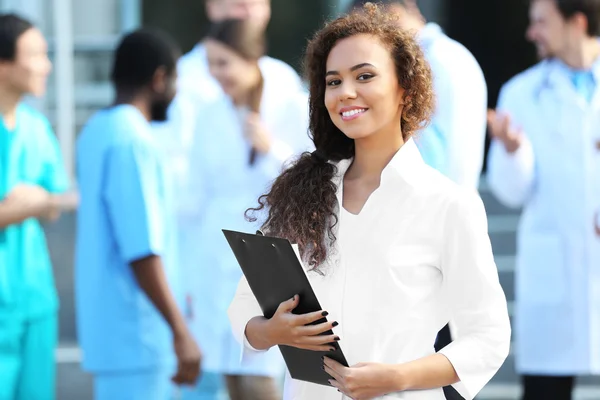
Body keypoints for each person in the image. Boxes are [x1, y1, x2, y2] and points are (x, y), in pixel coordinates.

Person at [228, 3, 511, 400]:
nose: (345, 92)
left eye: (364, 76)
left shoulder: (448, 204)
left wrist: (397, 378)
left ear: (404, 88)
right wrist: (272, 330)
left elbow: (488, 338)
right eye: (332, 81)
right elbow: (245, 308)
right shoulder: (305, 193)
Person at [179, 19, 313, 400]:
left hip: (267, 250)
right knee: (229, 370)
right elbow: (196, 192)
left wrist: (270, 146)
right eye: (211, 64)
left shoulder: (289, 102)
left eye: (224, 63)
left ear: (252, 58)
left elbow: (311, 177)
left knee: (260, 370)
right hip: (215, 251)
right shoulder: (209, 114)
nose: (216, 74)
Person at [75, 29, 202, 400]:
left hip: (115, 336)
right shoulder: (133, 141)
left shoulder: (96, 131)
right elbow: (141, 249)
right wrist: (180, 331)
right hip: (141, 337)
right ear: (159, 79)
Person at [486, 0, 600, 399]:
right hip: (555, 265)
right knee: (546, 388)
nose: (531, 32)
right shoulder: (520, 93)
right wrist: (514, 152)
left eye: (541, 22)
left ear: (577, 21)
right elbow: (509, 192)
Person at [0, 13, 77, 400]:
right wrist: (26, 205)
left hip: (34, 299)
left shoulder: (35, 126)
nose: (47, 65)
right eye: (36, 54)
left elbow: (56, 200)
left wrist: (36, 201)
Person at [350, 0, 488, 190]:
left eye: (368, 27)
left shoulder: (440, 58)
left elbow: (455, 154)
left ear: (393, 12)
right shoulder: (438, 55)